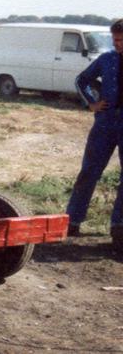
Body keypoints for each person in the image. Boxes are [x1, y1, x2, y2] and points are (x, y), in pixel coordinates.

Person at [65, 18, 123, 251]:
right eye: (114, 39)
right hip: (105, 123)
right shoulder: (106, 59)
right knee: (89, 171)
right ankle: (72, 221)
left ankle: (119, 227)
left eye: (120, 40)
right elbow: (82, 79)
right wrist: (92, 102)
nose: (116, 44)